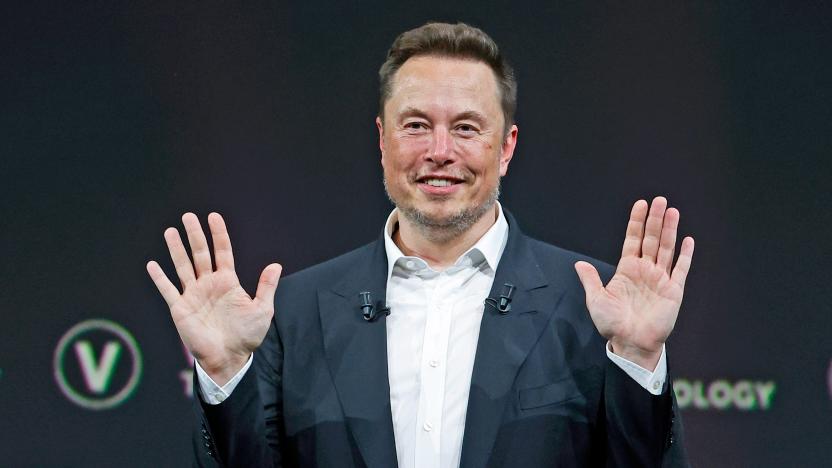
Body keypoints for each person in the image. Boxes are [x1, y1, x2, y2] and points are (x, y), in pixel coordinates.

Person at [147, 22, 694, 467]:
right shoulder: (292, 314)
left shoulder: (593, 308)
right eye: (415, 125)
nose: (439, 150)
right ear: (382, 140)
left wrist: (639, 361)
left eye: (465, 127)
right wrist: (224, 376)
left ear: (506, 148)